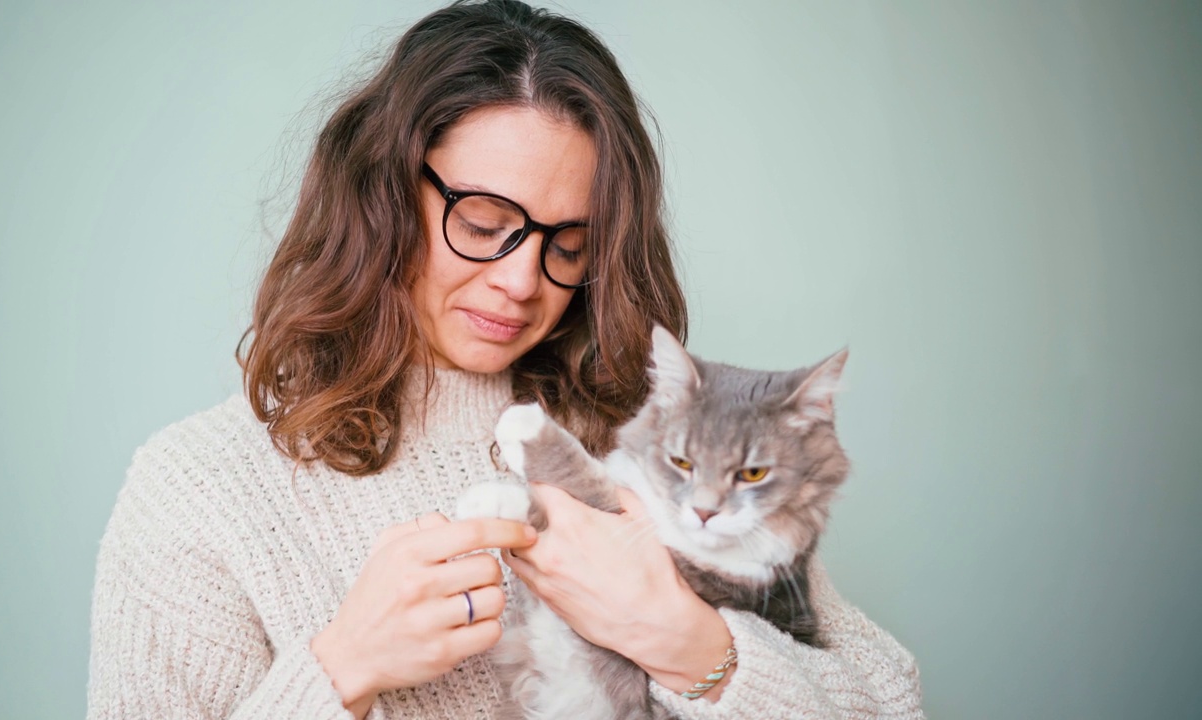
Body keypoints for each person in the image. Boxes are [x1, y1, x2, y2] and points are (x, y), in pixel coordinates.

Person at [86, 1, 924, 718]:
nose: (522, 282)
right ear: (383, 195)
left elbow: (892, 700)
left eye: (568, 244)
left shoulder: (649, 453)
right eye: (485, 225)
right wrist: (340, 669)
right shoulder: (202, 489)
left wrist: (686, 643)